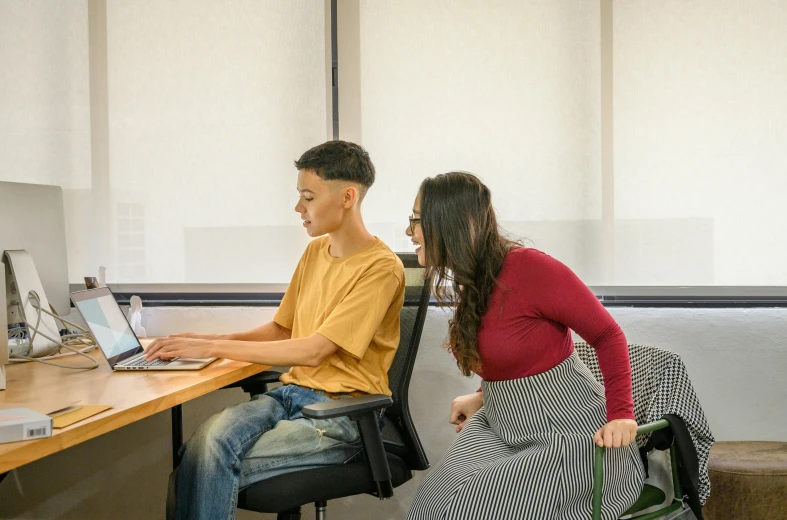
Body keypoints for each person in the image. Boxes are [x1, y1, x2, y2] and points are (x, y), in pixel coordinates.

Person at [145, 140, 405, 520]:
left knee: (199, 465)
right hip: (289, 395)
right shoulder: (316, 253)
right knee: (204, 446)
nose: (298, 208)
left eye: (308, 197)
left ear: (347, 197)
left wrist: (213, 348)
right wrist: (209, 342)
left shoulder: (381, 268)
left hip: (340, 414)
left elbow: (314, 350)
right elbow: (283, 331)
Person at [404, 172, 644, 519]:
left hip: (568, 434)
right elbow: (515, 353)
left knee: (464, 506)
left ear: (450, 222)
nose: (409, 232)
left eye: (416, 220)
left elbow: (608, 335)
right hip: (506, 425)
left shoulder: (531, 268)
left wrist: (622, 415)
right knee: (432, 500)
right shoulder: (475, 279)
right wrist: (484, 395)